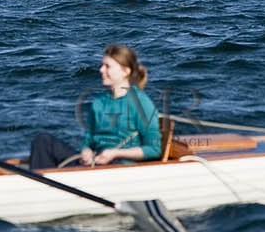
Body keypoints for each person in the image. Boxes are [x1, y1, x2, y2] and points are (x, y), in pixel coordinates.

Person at [28, 45, 163, 170]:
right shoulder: (98, 102)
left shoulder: (141, 103)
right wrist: (86, 151)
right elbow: (88, 141)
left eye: (107, 66)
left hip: (121, 167)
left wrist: (115, 153)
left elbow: (154, 149)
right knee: (43, 140)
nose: (101, 70)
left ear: (125, 71)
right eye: (102, 65)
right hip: (95, 165)